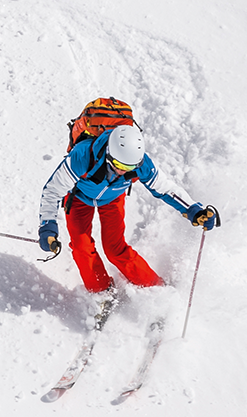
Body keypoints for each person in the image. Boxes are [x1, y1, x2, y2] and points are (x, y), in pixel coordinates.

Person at [37, 124, 219, 295]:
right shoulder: (82, 155)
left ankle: (156, 288)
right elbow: (52, 191)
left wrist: (194, 210)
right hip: (79, 197)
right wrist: (47, 227)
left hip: (112, 199)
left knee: (114, 248)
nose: (124, 172)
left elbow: (165, 188)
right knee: (81, 247)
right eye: (121, 166)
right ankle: (102, 293)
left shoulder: (141, 163)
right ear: (109, 154)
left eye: (130, 167)